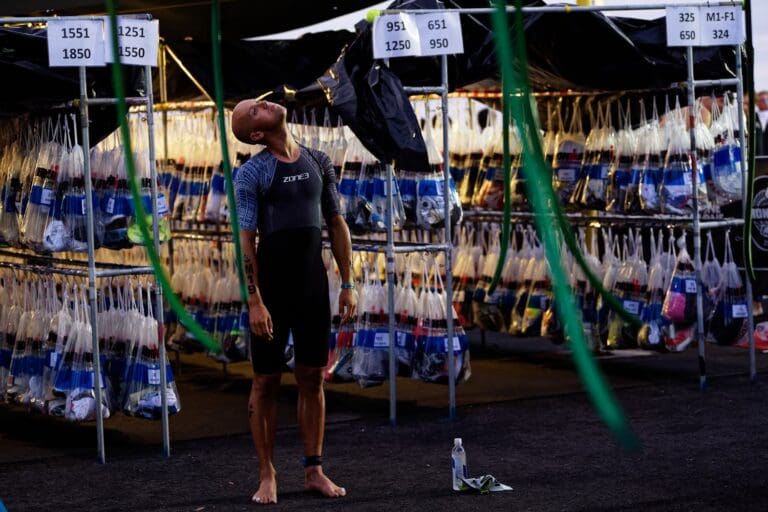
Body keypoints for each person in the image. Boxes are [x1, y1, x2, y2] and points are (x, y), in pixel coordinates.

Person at [231, 99, 356, 505]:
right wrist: (254, 300)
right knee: (266, 380)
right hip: (272, 290)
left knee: (312, 377)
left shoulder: (319, 161)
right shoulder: (252, 173)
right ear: (255, 134)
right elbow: (245, 242)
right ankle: (267, 472)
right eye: (254, 110)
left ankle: (313, 469)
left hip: (313, 287)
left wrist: (348, 282)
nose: (263, 103)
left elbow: (336, 222)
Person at [756, 90, 768, 156]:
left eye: (766, 99)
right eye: (762, 100)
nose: (765, 102)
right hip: (757, 156)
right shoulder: (753, 117)